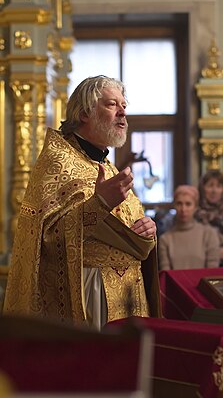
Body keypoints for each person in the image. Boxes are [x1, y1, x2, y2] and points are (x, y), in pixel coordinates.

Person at [3, 75, 162, 329]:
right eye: (112, 104)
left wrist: (148, 230)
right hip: (90, 293)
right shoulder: (58, 162)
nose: (123, 113)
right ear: (85, 112)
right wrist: (98, 204)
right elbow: (45, 237)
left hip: (130, 294)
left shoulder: (107, 167)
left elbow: (131, 223)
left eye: (124, 105)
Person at [158, 184, 220, 270]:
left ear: (195, 207)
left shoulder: (209, 234)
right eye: (179, 204)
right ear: (174, 206)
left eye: (188, 204)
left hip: (203, 283)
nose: (183, 209)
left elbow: (212, 273)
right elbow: (166, 274)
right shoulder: (165, 239)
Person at [195, 169, 223, 267]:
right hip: (200, 264)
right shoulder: (194, 212)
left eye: (218, 186)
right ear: (202, 188)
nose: (214, 191)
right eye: (210, 186)